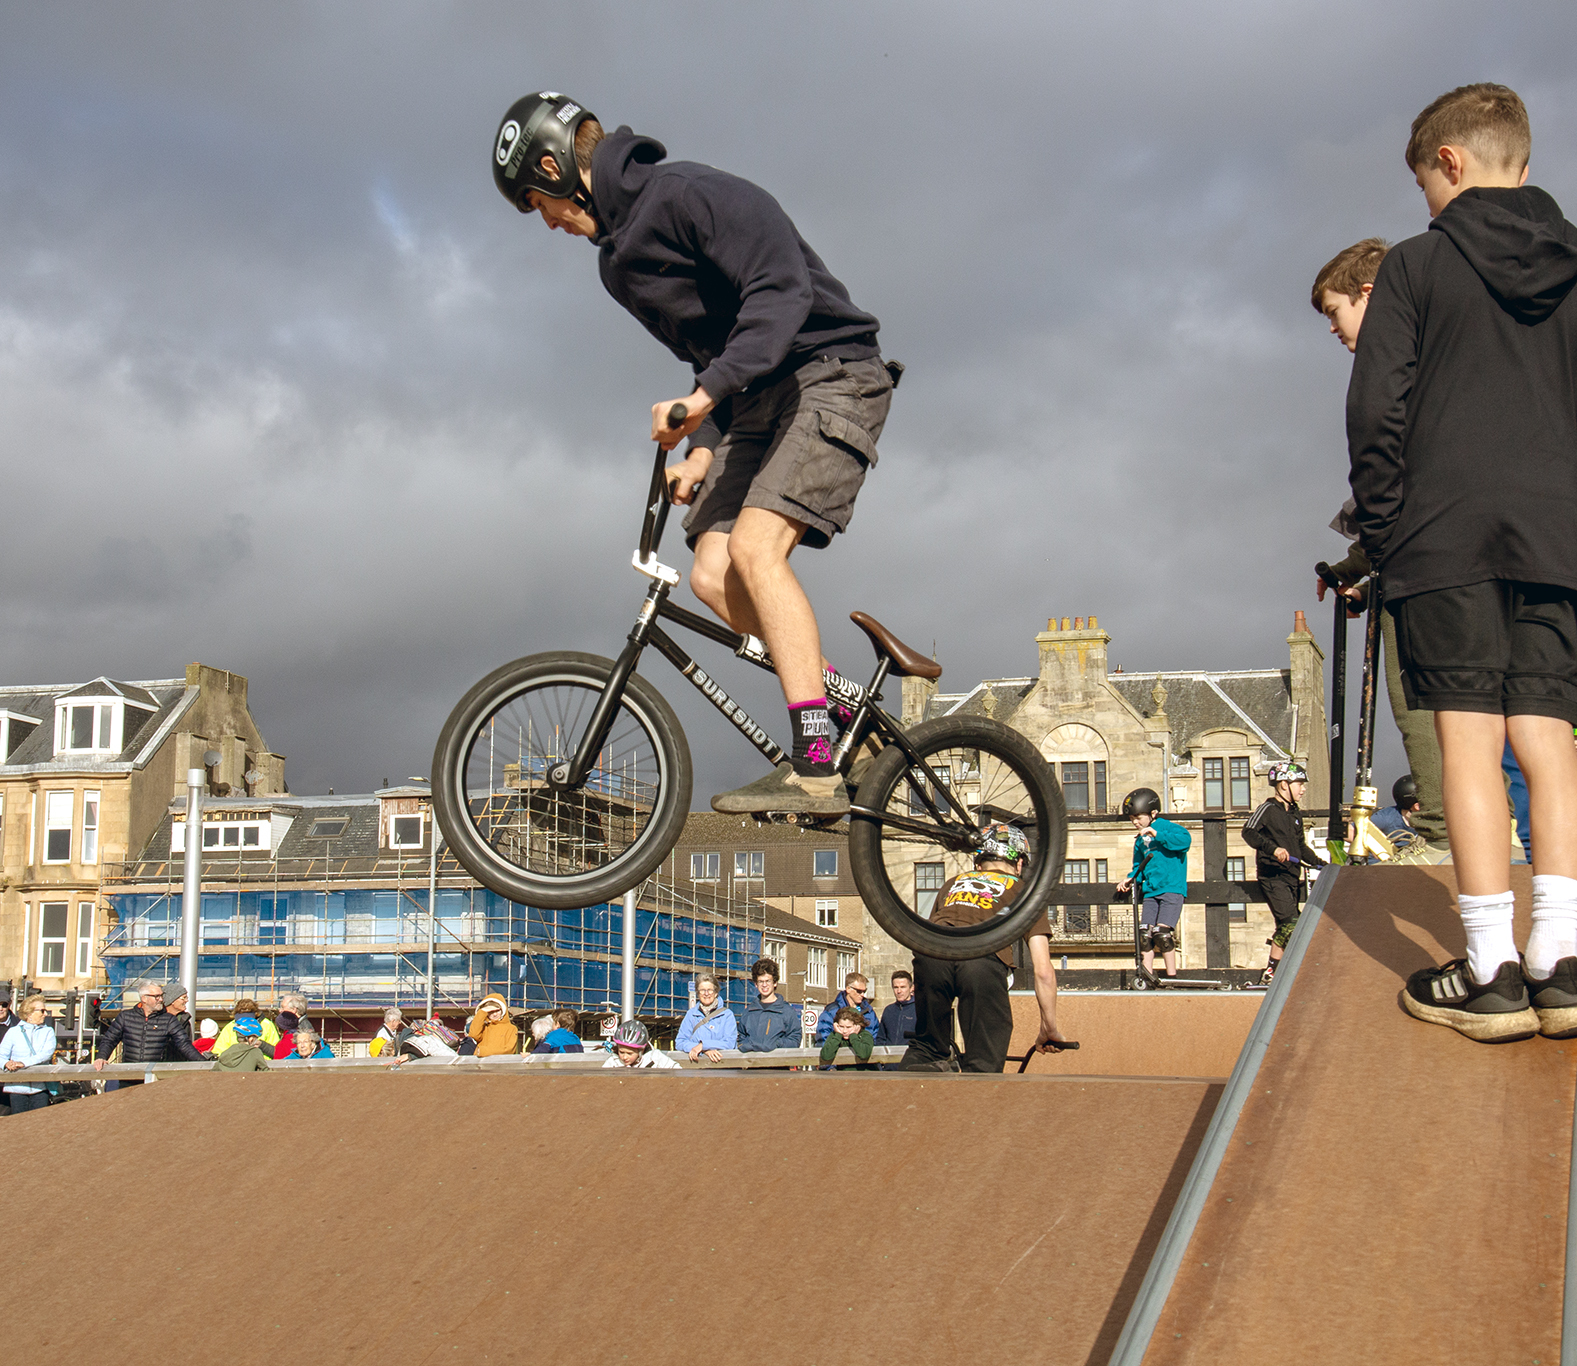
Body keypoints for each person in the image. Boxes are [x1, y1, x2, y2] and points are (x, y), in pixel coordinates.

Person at [494, 91, 898, 816]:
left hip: (833, 374)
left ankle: (813, 763)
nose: (548, 223)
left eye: (538, 203)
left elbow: (779, 293)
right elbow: (715, 359)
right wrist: (703, 447)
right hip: (758, 404)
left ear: (556, 169)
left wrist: (704, 402)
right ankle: (843, 719)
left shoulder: (692, 194)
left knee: (754, 549)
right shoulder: (619, 268)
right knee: (712, 573)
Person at [1348, 82, 1577, 1042]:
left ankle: (1488, 971)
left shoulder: (1413, 267)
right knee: (1550, 737)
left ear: (1448, 163)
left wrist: (1384, 528)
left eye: (1422, 185)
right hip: (1560, 535)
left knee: (1467, 739)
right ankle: (1561, 962)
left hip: (1446, 536)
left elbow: (1375, 412)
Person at [1313, 238, 1450, 859]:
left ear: (1368, 294)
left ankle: (1443, 834)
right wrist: (1359, 569)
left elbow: (1395, 476)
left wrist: (1369, 559)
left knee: (1418, 695)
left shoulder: (1394, 363)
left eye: (1335, 312)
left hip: (1423, 563)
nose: (1336, 330)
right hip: (1436, 548)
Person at [899, 824, 1067, 1073]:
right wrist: (1049, 1027)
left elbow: (933, 931)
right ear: (1019, 864)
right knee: (983, 1063)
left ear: (978, 864)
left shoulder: (952, 883)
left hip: (932, 955)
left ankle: (909, 1095)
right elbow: (1043, 970)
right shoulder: (1025, 891)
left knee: (927, 1048)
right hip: (980, 959)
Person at [1242, 763, 1323, 985]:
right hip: (1272, 875)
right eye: (1299, 784)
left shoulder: (1295, 813)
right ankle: (1297, 972)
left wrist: (1321, 864)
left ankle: (1271, 973)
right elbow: (1248, 832)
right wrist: (1273, 849)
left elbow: (1301, 846)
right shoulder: (1267, 809)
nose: (1303, 789)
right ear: (1284, 784)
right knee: (1292, 924)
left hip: (1292, 875)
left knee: (1286, 924)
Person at [1115, 788, 1192, 981]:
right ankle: (1146, 975)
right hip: (1150, 892)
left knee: (1162, 934)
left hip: (1171, 889)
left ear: (1153, 814)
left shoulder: (1168, 828)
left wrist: (1157, 834)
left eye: (1138, 818)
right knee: (1145, 935)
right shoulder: (1140, 840)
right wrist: (1130, 878)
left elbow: (1185, 841)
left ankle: (1172, 976)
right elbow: (1138, 865)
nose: (1135, 822)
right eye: (1132, 819)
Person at [93, 980, 208, 1077]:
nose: (161, 999)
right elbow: (109, 1040)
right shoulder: (125, 1017)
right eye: (156, 996)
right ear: (144, 998)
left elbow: (184, 1045)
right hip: (129, 1077)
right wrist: (101, 1057)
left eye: (161, 996)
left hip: (155, 1077)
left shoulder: (168, 1020)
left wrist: (204, 1064)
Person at [0, 996, 58, 1113]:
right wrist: (6, 1063)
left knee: (38, 1126)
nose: (45, 1014)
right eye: (42, 1011)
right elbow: (1, 1055)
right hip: (16, 1089)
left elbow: (46, 1054)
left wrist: (23, 1063)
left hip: (40, 1089)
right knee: (19, 1126)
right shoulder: (13, 1032)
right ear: (29, 1014)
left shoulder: (48, 1031)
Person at [738, 958, 800, 1052]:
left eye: (768, 981)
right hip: (752, 1064)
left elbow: (795, 1039)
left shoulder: (786, 1011)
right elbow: (740, 1037)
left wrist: (776, 1044)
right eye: (761, 981)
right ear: (756, 984)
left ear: (775, 983)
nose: (764, 985)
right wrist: (748, 1046)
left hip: (777, 1065)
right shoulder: (749, 1011)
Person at [677, 975, 738, 1062]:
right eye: (702, 990)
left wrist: (702, 1046)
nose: (706, 993)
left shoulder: (727, 1015)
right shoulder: (691, 1015)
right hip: (697, 1069)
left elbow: (730, 1043)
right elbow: (680, 1042)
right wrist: (704, 1050)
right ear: (698, 993)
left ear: (716, 992)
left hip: (723, 1068)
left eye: (709, 990)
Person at [813, 972, 879, 1044]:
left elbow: (876, 1038)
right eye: (859, 991)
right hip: (839, 1054)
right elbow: (822, 1038)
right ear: (848, 989)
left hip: (865, 1054)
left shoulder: (869, 1011)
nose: (862, 995)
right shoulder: (832, 1011)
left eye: (864, 991)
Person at [1371, 774, 1426, 852]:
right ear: (1417, 806)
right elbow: (1350, 830)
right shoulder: (1386, 818)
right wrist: (1380, 848)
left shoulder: (1428, 821)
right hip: (1378, 863)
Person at [602, 1018, 681, 1070]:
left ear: (641, 1051)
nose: (624, 1057)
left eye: (630, 1053)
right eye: (621, 1052)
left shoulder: (655, 1058)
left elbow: (677, 1071)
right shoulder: (613, 1062)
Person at [214, 998, 281, 1057]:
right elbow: (218, 1051)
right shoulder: (230, 1027)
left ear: (256, 1014)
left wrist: (262, 1046)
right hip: (236, 1066)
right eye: (240, 1018)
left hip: (262, 1066)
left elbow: (277, 1051)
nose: (244, 1022)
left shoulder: (267, 1025)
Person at [818, 1006, 875, 1070]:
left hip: (865, 1075)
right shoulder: (835, 1036)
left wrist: (853, 1035)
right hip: (843, 1076)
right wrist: (838, 1035)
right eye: (841, 1027)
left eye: (848, 1027)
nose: (844, 1031)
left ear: (857, 1026)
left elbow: (864, 1054)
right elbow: (826, 1056)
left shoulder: (865, 1035)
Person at [876, 970, 917, 1047]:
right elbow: (881, 1038)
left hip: (911, 1055)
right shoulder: (888, 1010)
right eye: (895, 987)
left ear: (911, 988)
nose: (899, 991)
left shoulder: (918, 1010)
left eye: (903, 987)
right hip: (889, 1056)